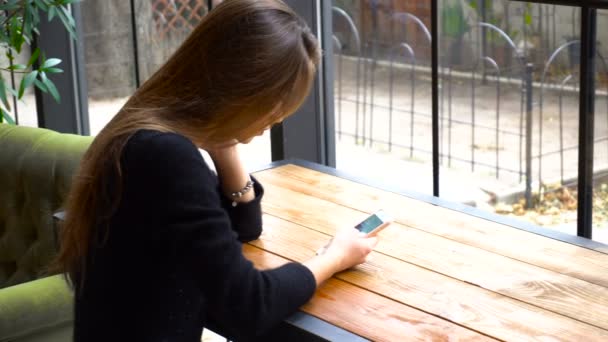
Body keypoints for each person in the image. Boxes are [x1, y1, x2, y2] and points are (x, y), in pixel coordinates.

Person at [52, 0, 378, 341]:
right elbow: (248, 307)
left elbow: (242, 230)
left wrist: (225, 147)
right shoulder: (164, 156)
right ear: (239, 87)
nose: (277, 118)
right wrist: (332, 257)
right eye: (275, 103)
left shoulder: (144, 134)